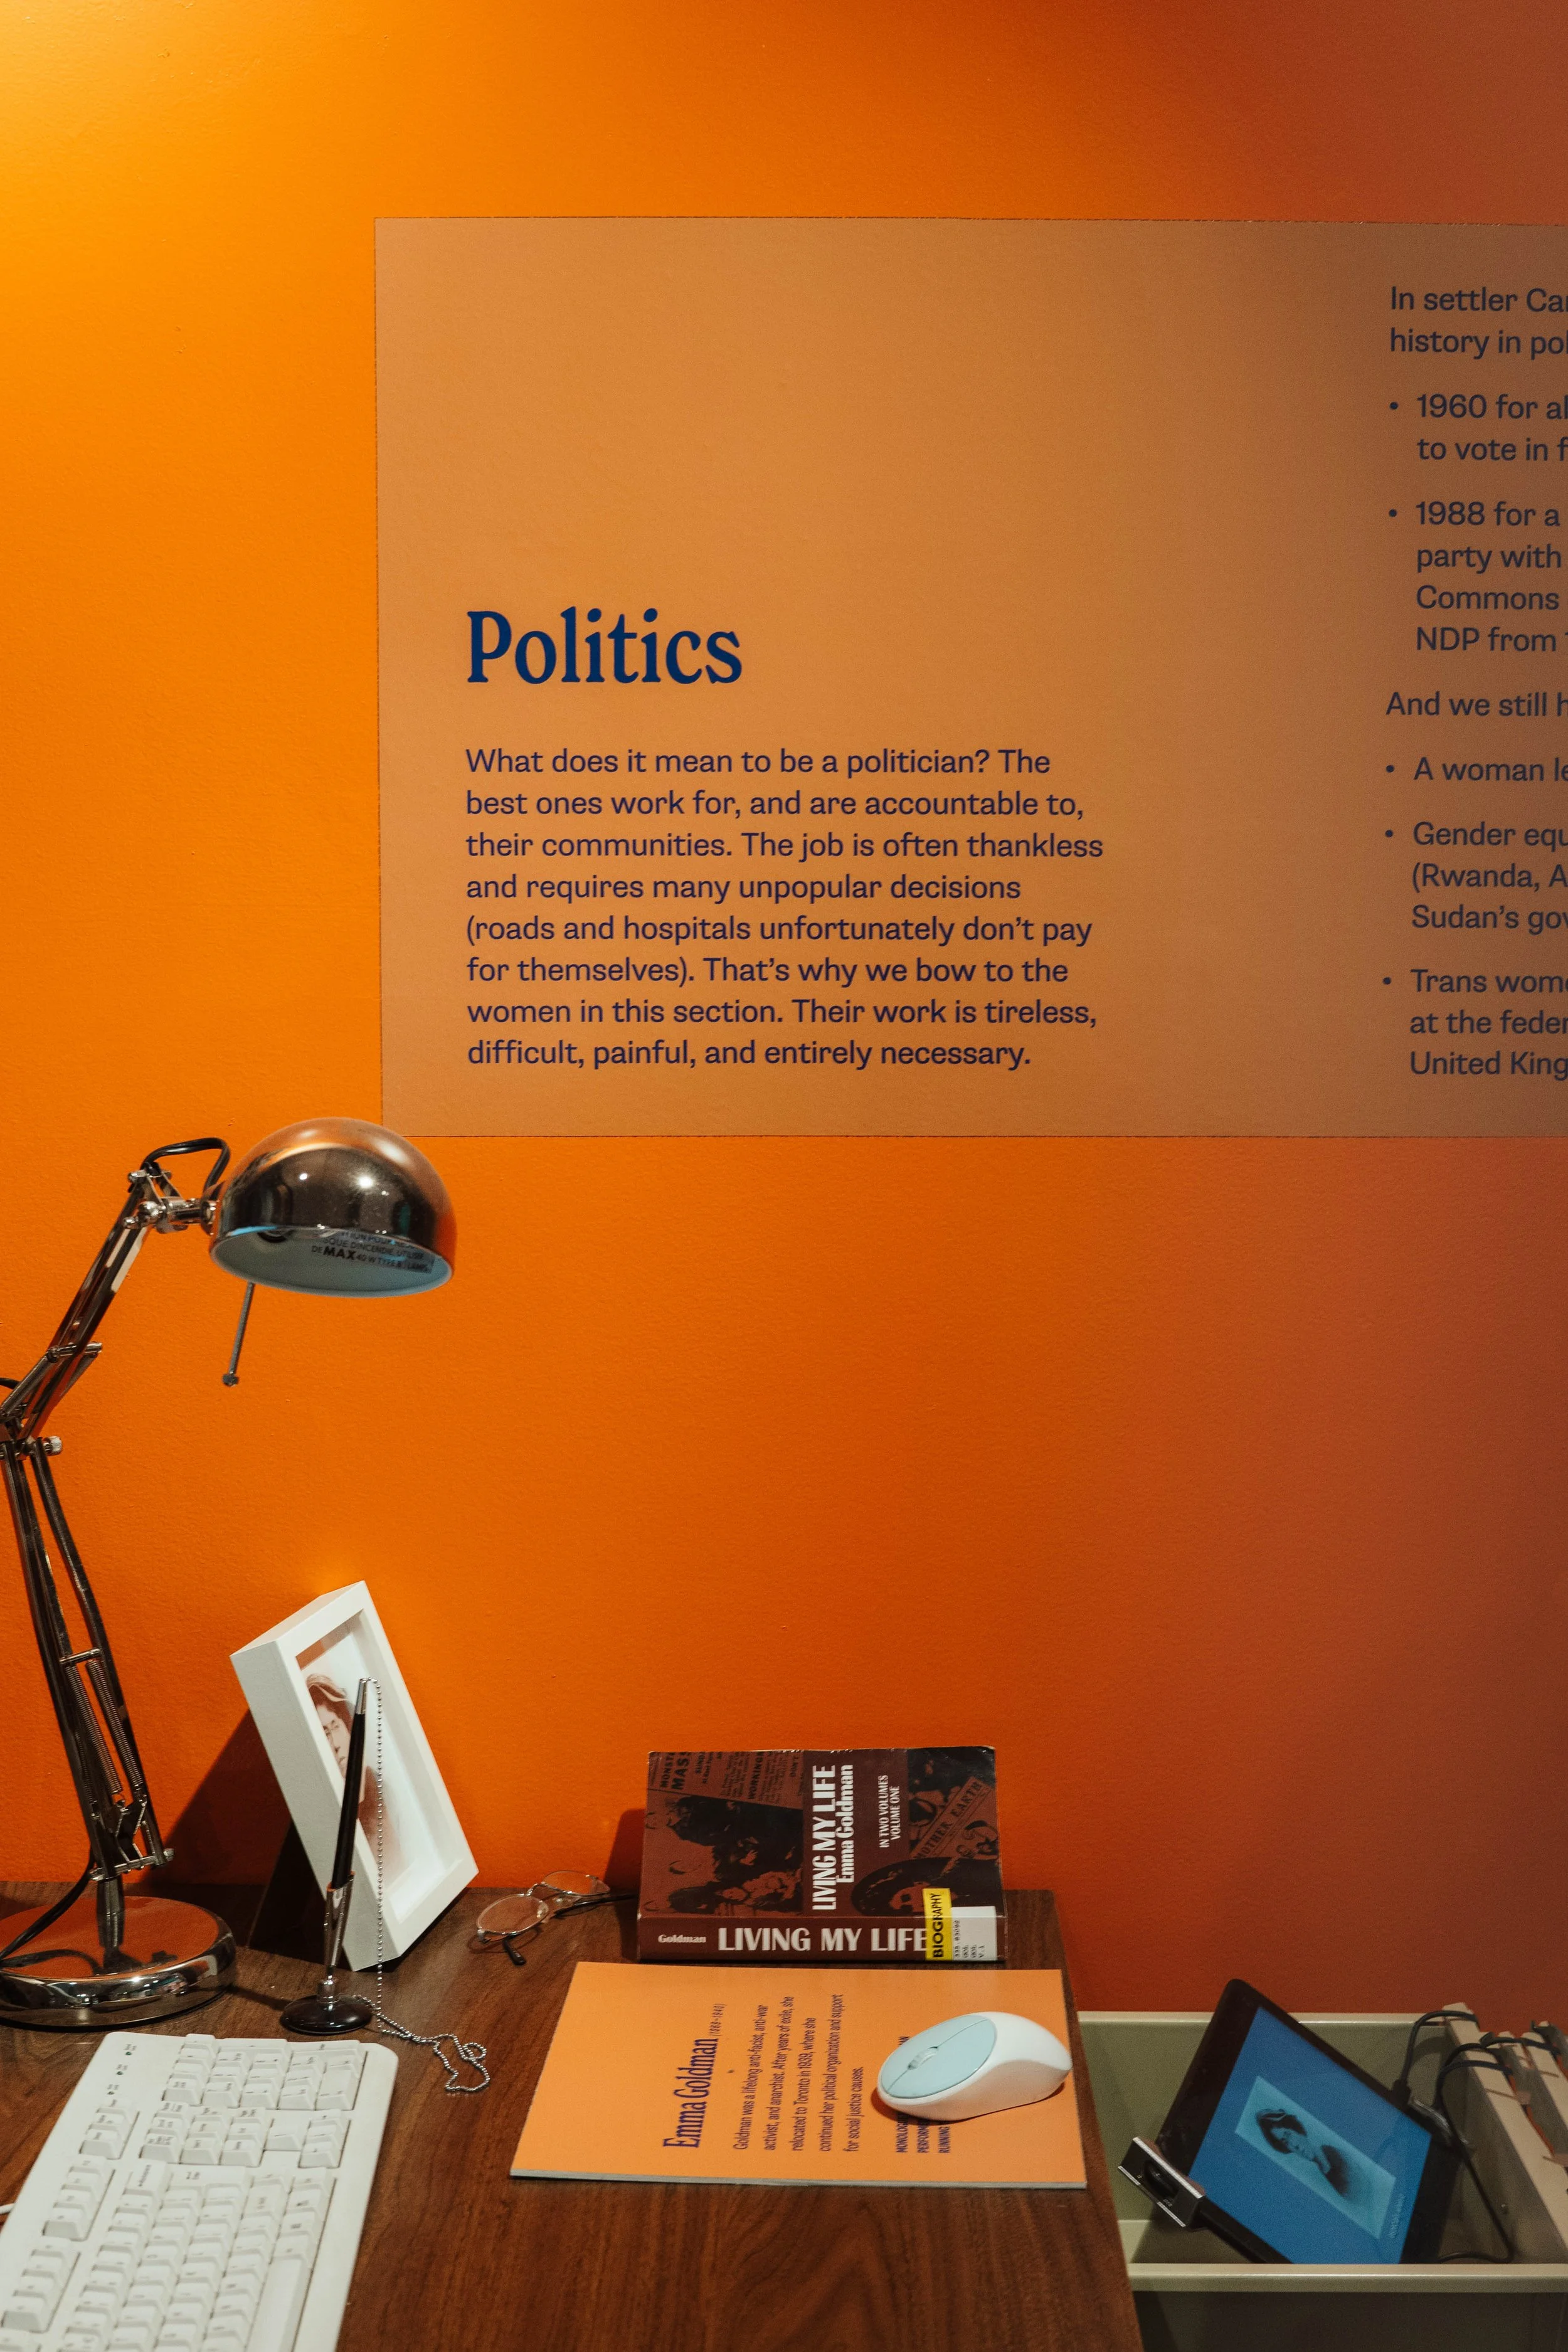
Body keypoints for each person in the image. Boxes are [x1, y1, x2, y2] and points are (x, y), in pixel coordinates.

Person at [305, 1671, 404, 1882]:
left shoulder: (381, 1789)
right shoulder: (324, 1809)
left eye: (336, 1726)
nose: (337, 1743)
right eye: (325, 1734)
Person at [1254, 2107, 1353, 2196]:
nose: (1294, 2145)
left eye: (1288, 2135)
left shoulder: (1334, 2155)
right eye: (1285, 2142)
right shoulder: (1321, 2173)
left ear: (1298, 2130)